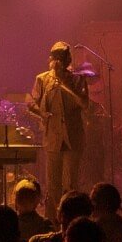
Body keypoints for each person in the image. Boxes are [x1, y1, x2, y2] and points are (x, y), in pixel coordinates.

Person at [27, 41, 90, 216]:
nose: (60, 61)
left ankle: (71, 217)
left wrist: (65, 84)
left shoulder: (78, 79)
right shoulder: (42, 79)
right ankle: (52, 220)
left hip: (73, 138)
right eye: (57, 57)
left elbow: (84, 104)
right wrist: (42, 113)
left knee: (71, 183)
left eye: (63, 57)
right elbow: (31, 103)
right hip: (53, 138)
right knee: (53, 183)